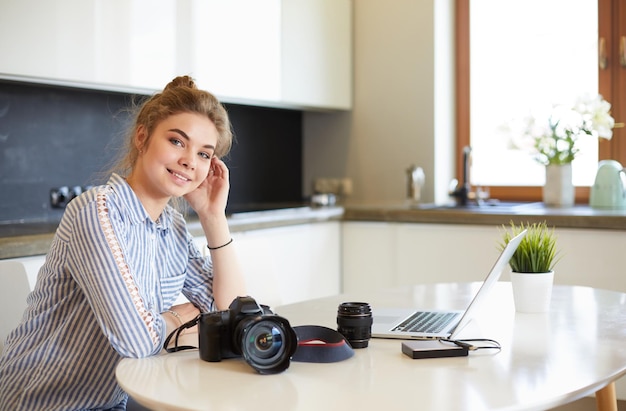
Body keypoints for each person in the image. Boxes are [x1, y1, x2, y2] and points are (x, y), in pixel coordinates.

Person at [0, 76, 247, 410]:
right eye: (177, 141)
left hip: (111, 400)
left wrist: (214, 218)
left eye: (204, 153)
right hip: (42, 402)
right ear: (142, 137)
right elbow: (136, 340)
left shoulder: (171, 226)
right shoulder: (97, 213)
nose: (191, 160)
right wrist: (175, 318)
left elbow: (234, 314)